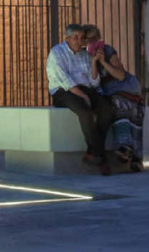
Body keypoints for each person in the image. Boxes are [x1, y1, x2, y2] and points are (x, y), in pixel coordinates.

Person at [46, 24, 114, 176]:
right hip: (63, 91)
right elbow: (64, 80)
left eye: (82, 38)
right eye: (75, 38)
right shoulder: (57, 53)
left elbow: (93, 82)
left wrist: (95, 61)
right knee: (85, 112)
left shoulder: (85, 55)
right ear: (67, 38)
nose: (79, 41)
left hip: (84, 89)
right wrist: (83, 96)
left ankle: (93, 152)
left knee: (107, 110)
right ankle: (101, 157)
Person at [82, 24, 144, 172]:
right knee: (112, 105)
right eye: (89, 39)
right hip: (107, 92)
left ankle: (128, 150)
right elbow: (92, 79)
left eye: (95, 38)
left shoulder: (108, 51)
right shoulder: (84, 57)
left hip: (124, 87)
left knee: (121, 104)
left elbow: (121, 75)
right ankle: (128, 151)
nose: (93, 42)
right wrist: (94, 62)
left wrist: (103, 61)